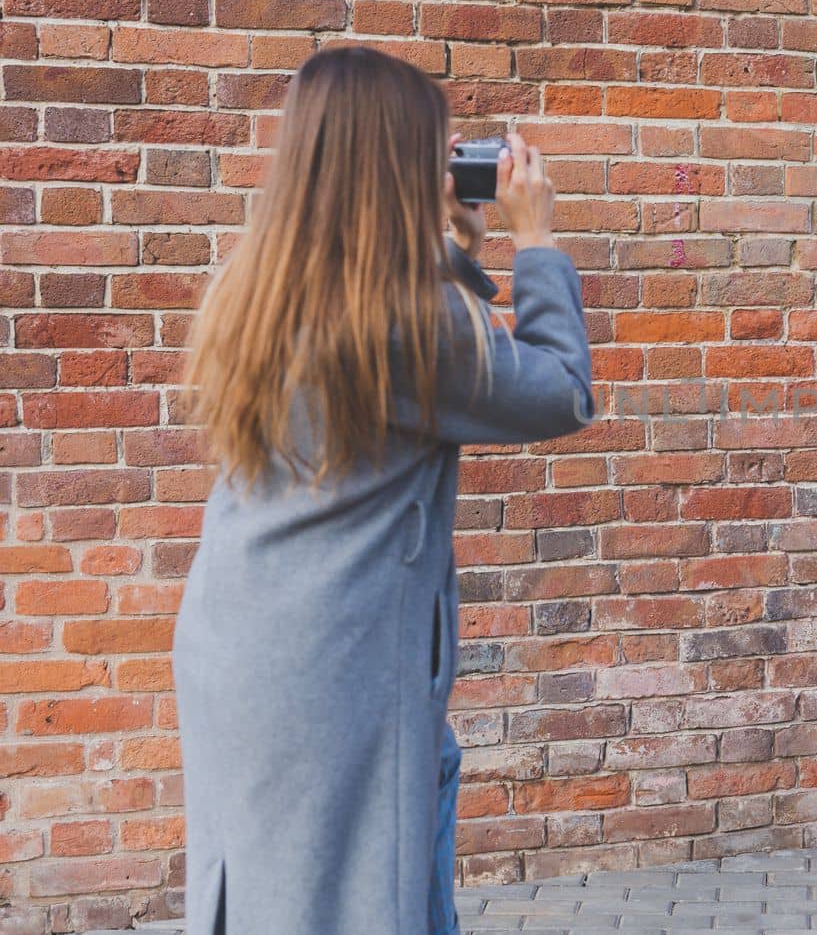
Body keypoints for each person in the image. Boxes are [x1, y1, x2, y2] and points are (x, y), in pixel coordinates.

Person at [174, 47, 594, 933]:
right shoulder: (406, 321)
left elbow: (415, 346)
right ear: (395, 163)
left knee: (266, 894)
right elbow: (560, 389)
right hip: (337, 667)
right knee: (363, 899)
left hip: (240, 647)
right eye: (435, 152)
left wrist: (460, 246)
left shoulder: (259, 289)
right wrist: (538, 240)